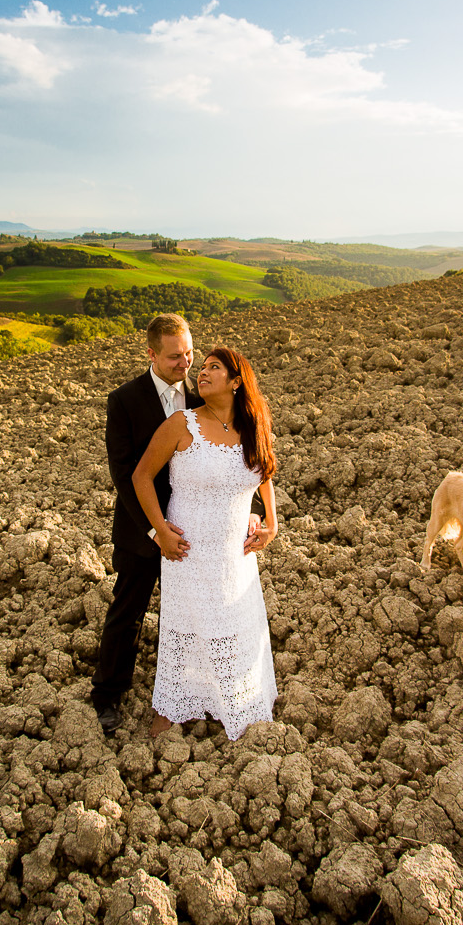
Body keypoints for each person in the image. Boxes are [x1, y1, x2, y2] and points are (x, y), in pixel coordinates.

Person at [132, 345, 279, 742]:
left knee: (233, 622)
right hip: (189, 551)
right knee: (186, 626)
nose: (204, 372)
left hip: (235, 554)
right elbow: (141, 476)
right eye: (205, 366)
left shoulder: (252, 428)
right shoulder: (183, 423)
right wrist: (161, 529)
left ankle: (235, 698)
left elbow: (264, 472)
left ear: (236, 382)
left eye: (216, 368)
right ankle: (171, 706)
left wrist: (271, 520)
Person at [94, 313, 201, 735]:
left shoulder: (201, 399)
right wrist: (155, 529)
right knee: (129, 612)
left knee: (193, 614)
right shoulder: (123, 401)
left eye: (190, 353)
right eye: (176, 356)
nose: (186, 363)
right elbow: (124, 474)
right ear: (151, 353)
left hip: (192, 530)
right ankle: (107, 694)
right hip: (142, 532)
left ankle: (190, 690)